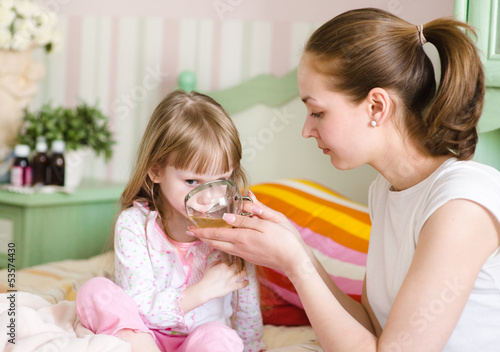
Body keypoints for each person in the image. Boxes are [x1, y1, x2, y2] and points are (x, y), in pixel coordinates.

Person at [189, 8, 500, 352]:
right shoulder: (385, 191)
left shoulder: (461, 205)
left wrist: (296, 265)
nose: (307, 130)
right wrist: (300, 252)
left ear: (376, 107)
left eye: (318, 112)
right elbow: (368, 325)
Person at [76, 90, 265, 352]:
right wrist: (204, 290)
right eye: (192, 182)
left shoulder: (231, 228)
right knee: (95, 291)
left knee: (223, 338)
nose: (208, 198)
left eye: (220, 181)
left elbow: (247, 298)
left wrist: (254, 345)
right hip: (143, 335)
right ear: (156, 170)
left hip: (201, 338)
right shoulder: (133, 225)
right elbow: (138, 307)